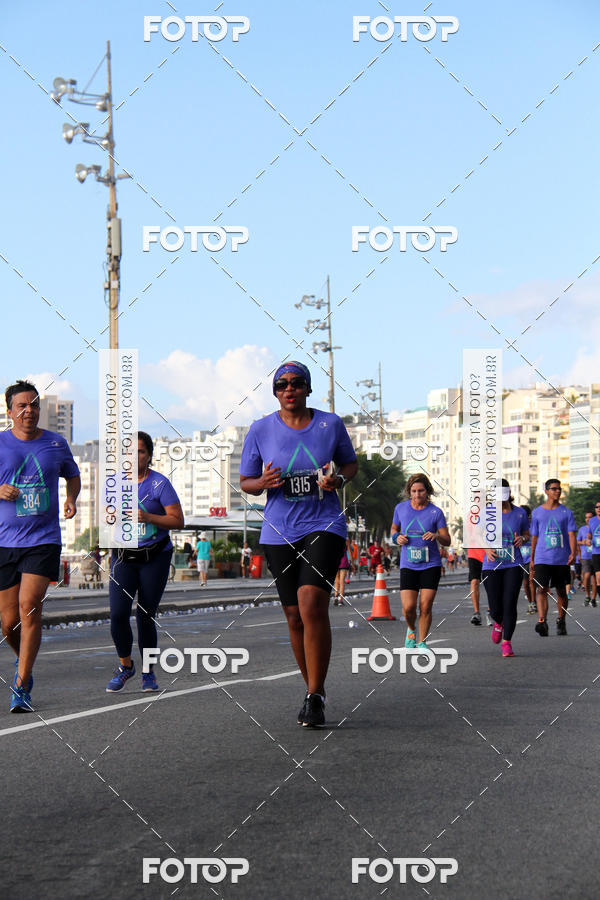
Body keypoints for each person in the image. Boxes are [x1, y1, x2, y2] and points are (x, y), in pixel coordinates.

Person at [239, 361, 357, 728]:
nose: (288, 389)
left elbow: (350, 465)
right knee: (293, 615)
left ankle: (315, 694)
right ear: (275, 392)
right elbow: (246, 481)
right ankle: (312, 689)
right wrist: (262, 483)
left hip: (324, 523)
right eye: (281, 385)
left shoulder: (330, 424)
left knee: (310, 602)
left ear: (307, 388)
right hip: (279, 530)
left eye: (296, 383)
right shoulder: (260, 429)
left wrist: (338, 479)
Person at [0, 380, 80, 712]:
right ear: (10, 411)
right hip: (4, 541)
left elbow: (72, 475)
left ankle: (21, 685)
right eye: (22, 406)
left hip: (43, 539)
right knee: (8, 622)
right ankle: (26, 664)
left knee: (29, 606)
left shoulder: (56, 443)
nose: (29, 411)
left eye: (34, 405)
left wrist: (71, 499)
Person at [106, 432, 184, 692]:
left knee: (145, 614)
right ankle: (126, 666)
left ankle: (148, 672)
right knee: (117, 615)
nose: (134, 456)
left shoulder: (159, 484)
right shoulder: (114, 484)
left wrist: (149, 517)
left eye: (139, 451)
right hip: (123, 557)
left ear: (149, 456)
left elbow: (177, 521)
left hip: (155, 556)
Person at [390, 473, 451, 650]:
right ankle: (411, 629)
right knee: (409, 608)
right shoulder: (400, 508)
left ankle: (423, 641)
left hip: (431, 564)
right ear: (409, 492)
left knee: (425, 606)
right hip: (408, 564)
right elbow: (394, 529)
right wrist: (396, 537)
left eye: (421, 491)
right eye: (414, 491)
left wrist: (436, 535)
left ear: (427, 491)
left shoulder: (435, 512)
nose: (417, 494)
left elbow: (447, 540)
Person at [481, 479, 530, 657]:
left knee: (509, 603)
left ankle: (507, 642)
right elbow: (477, 536)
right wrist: (487, 549)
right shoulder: (486, 513)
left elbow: (526, 533)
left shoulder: (520, 513)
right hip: (492, 564)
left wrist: (522, 539)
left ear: (508, 493)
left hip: (513, 563)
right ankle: (498, 622)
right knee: (495, 607)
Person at [530, 478, 577, 636]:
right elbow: (534, 536)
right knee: (541, 589)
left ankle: (561, 620)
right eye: (554, 488)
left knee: (561, 591)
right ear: (546, 491)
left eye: (559, 489)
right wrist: (532, 558)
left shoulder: (566, 512)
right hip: (542, 558)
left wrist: (573, 553)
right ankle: (542, 621)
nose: (558, 491)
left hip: (561, 558)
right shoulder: (537, 512)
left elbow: (571, 534)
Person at [518, 505, 535, 614]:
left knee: (531, 580)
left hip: (532, 557)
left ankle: (533, 602)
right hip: (521, 558)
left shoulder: (534, 525)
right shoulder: (517, 525)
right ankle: (530, 602)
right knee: (525, 583)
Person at [578, 510, 597, 607]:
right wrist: (584, 542)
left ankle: (593, 598)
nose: (588, 519)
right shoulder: (582, 529)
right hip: (586, 556)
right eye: (586, 517)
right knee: (587, 575)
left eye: (590, 517)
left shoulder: (597, 526)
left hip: (596, 555)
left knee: (595, 579)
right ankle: (587, 595)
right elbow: (578, 541)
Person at [467, 548, 486, 625]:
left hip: (490, 552)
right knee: (474, 581)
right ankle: (476, 613)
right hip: (473, 553)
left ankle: (491, 611)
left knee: (491, 582)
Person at [333, 539, 351, 605]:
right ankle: (340, 599)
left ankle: (335, 597)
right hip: (343, 562)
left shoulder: (335, 539)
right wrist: (352, 564)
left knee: (337, 580)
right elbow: (349, 552)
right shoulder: (346, 541)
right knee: (342, 581)